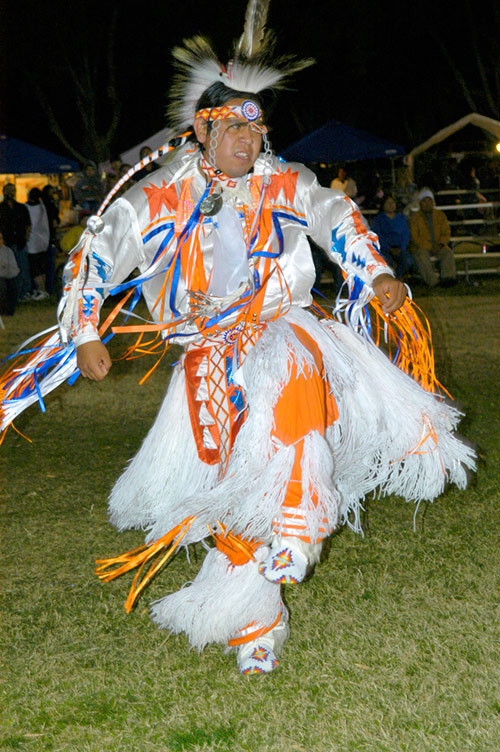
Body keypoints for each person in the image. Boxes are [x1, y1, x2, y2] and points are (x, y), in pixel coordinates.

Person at [0, 5, 474, 676]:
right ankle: (254, 620)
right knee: (231, 483)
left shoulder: (285, 183)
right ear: (202, 130)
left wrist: (380, 274)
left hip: (285, 327)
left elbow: (337, 217)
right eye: (234, 130)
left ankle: (299, 526)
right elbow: (96, 253)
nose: (249, 144)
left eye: (257, 130)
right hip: (209, 354)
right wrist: (80, 333)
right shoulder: (164, 196)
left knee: (292, 393)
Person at [409, 188, 457, 287]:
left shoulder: (440, 215)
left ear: (433, 202)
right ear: (420, 203)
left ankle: (448, 278)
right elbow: (415, 237)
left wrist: (440, 244)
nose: (427, 204)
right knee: (421, 257)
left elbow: (446, 232)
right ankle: (433, 282)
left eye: (429, 200)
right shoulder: (415, 218)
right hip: (422, 247)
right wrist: (430, 247)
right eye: (424, 201)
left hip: (438, 245)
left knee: (447, 253)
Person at [0, 183, 31, 301]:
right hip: (6, 243)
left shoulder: (21, 208)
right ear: (4, 192)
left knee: (22, 268)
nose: (10, 193)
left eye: (12, 190)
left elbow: (28, 224)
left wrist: (26, 237)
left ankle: (24, 292)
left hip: (20, 243)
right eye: (8, 190)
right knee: (7, 270)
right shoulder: (1, 208)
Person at [371, 195, 413, 279]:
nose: (391, 205)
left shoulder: (401, 218)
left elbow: (406, 234)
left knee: (408, 261)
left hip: (399, 248)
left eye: (392, 203)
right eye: (388, 203)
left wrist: (402, 247)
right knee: (387, 261)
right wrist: (388, 248)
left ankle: (395, 277)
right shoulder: (378, 219)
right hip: (384, 248)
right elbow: (378, 236)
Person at [25, 188, 50, 300]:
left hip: (33, 243)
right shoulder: (42, 207)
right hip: (43, 242)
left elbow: (31, 225)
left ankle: (41, 290)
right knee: (41, 268)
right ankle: (42, 289)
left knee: (35, 269)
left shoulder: (28, 208)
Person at [0, 231, 20, 316]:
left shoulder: (8, 251)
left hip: (8, 276)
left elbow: (14, 268)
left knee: (14, 283)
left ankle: (10, 310)